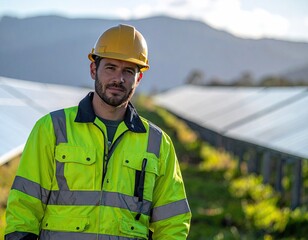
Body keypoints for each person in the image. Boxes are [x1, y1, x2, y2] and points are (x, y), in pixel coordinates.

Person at [5, 24, 191, 240]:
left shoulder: (158, 143)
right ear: (94, 69)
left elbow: (173, 221)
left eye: (128, 71)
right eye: (110, 67)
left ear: (138, 79)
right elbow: (24, 206)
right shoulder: (52, 128)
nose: (118, 79)